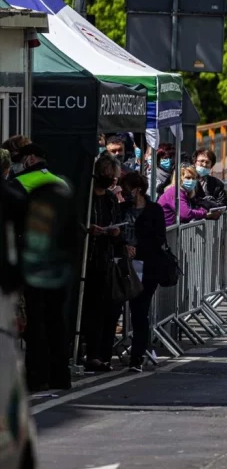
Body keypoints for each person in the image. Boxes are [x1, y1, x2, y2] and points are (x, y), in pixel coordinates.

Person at [7, 141, 72, 390]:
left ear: (31, 159)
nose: (18, 163)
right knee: (56, 318)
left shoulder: (20, 183)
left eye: (22, 158)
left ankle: (37, 376)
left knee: (36, 320)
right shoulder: (61, 182)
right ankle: (60, 375)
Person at [82, 153, 126, 372]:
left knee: (103, 310)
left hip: (104, 261)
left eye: (112, 177)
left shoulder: (109, 199)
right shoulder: (85, 197)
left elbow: (117, 225)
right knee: (87, 310)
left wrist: (115, 232)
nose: (109, 180)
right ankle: (86, 352)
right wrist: (88, 229)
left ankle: (98, 353)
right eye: (106, 175)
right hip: (85, 260)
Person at [120, 172, 166, 372]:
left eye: (126, 188)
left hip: (147, 267)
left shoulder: (154, 210)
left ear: (137, 189)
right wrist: (123, 246)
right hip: (122, 265)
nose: (123, 192)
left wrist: (138, 248)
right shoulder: (121, 209)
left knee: (139, 312)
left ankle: (137, 356)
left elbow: (160, 237)